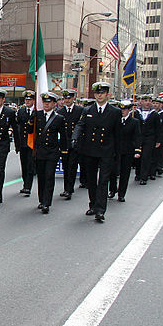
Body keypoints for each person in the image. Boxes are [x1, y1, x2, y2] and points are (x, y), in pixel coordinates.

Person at [72, 82, 122, 222]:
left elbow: (118, 134)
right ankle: (93, 204)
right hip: (90, 149)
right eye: (97, 93)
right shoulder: (87, 110)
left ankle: (100, 210)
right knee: (91, 180)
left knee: (103, 181)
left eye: (102, 93)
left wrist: (118, 153)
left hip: (106, 150)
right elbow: (80, 126)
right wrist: (75, 138)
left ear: (107, 95)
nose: (99, 95)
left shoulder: (115, 112)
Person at [34, 92, 68, 214]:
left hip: (52, 152)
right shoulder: (37, 115)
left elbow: (63, 136)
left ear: (54, 104)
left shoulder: (59, 118)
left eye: (49, 102)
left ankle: (46, 203)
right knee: (41, 177)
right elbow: (29, 130)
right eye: (44, 102)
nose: (46, 104)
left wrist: (64, 151)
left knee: (49, 177)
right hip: (40, 151)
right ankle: (41, 199)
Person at [108, 100, 141, 202]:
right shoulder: (115, 120)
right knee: (112, 172)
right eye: (121, 109)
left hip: (127, 151)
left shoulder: (134, 122)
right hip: (115, 150)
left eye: (125, 109)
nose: (122, 111)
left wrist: (137, 150)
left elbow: (137, 137)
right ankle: (112, 190)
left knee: (125, 173)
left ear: (129, 110)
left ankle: (121, 193)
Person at [57, 88, 84, 200]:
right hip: (64, 143)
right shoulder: (60, 112)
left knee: (72, 166)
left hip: (75, 143)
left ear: (73, 98)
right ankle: (66, 188)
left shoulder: (80, 110)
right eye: (65, 98)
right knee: (65, 165)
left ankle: (69, 189)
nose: (67, 100)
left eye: (69, 98)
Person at [136, 94, 161, 184]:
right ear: (141, 102)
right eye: (145, 101)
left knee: (146, 157)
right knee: (138, 156)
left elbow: (158, 128)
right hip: (138, 138)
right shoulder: (136, 113)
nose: (147, 103)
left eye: (149, 101)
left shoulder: (154, 114)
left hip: (149, 138)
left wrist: (158, 140)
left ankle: (144, 177)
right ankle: (138, 173)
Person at [16, 90, 36, 196]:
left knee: (30, 165)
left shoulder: (37, 112)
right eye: (26, 100)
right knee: (23, 164)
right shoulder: (21, 111)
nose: (27, 101)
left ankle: (28, 186)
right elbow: (19, 126)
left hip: (32, 143)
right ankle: (25, 184)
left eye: (29, 100)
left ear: (33, 100)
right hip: (23, 142)